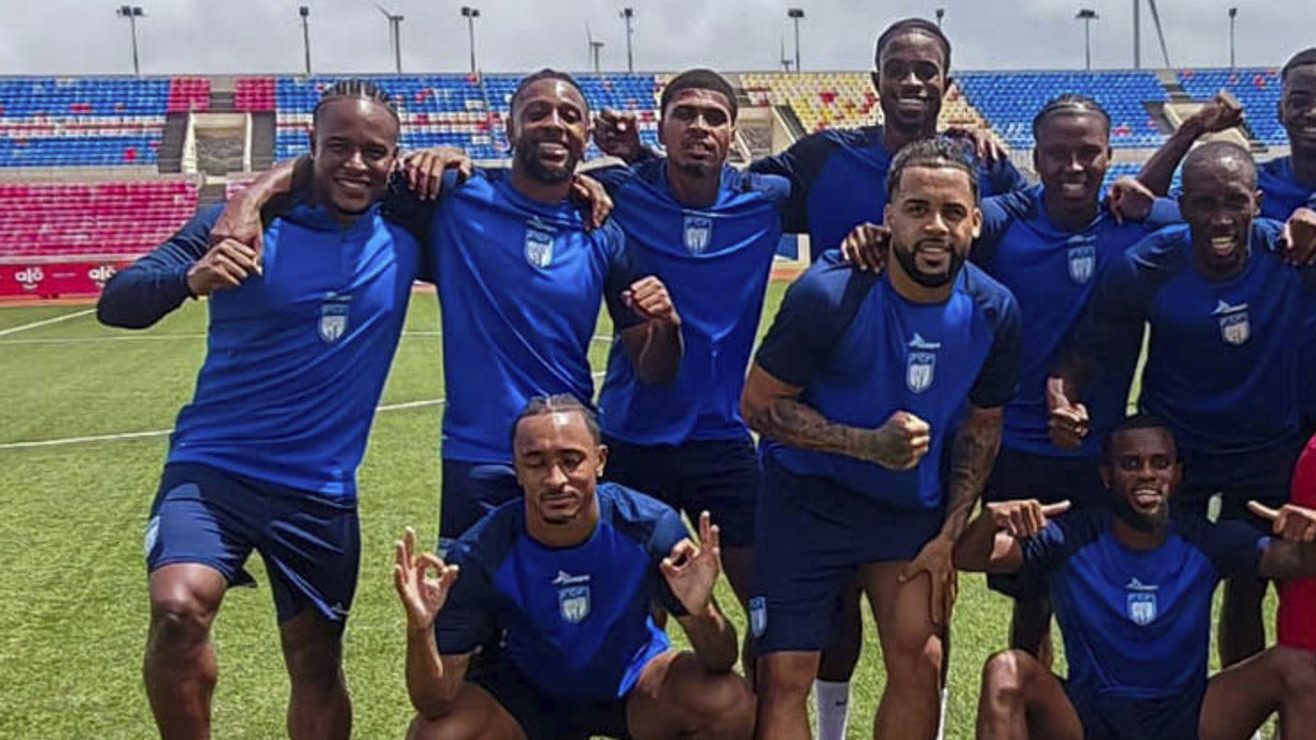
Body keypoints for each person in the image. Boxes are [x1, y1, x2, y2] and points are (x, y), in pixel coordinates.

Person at [217, 69, 683, 553]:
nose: (554, 123)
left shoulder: (602, 231)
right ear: (509, 129)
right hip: (477, 456)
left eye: (569, 116)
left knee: (568, 591)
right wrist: (252, 197)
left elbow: (656, 371)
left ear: (586, 137)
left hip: (566, 455)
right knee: (466, 599)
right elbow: (339, 169)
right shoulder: (453, 197)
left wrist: (668, 326)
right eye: (536, 112)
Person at [97, 81, 418, 740]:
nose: (356, 164)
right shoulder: (237, 229)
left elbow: (513, 196)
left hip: (320, 492)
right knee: (177, 611)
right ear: (311, 147)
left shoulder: (413, 231)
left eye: (374, 151)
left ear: (395, 158)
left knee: (317, 663)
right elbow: (118, 301)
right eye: (339, 147)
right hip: (214, 470)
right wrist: (190, 279)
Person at [741, 138, 1021, 740]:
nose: (935, 226)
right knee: (785, 674)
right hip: (806, 499)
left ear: (976, 221)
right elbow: (758, 405)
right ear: (888, 215)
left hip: (904, 507)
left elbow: (982, 428)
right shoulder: (828, 293)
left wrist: (948, 535)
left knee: (921, 659)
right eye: (918, 209)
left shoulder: (994, 310)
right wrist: (867, 445)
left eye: (952, 212)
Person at [1049, 141, 1316, 670]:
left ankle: (1242, 705)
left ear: (1257, 203)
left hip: (1266, 447)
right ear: (1182, 204)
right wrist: (1061, 399)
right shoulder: (1145, 266)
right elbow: (1084, 355)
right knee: (1170, 580)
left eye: (1234, 202)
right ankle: (1168, 697)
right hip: (1179, 451)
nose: (1221, 218)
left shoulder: (1290, 256)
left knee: (1250, 584)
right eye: (1204, 203)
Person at [581, 68, 790, 671]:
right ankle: (650, 707)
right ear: (662, 125)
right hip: (633, 434)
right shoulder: (618, 192)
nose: (700, 126)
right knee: (635, 610)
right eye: (685, 114)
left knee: (771, 610)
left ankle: (763, 711)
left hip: (722, 438)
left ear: (732, 132)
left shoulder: (764, 200)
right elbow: (536, 179)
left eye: (714, 117)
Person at [393, 394, 755, 740]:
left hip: (633, 687)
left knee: (727, 702)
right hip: (529, 696)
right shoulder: (480, 553)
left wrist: (701, 611)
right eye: (535, 462)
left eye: (571, 460)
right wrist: (420, 629)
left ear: (599, 460)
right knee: (439, 733)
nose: (555, 479)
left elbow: (720, 659)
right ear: (516, 470)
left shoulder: (649, 529)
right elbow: (434, 703)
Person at [955, 415, 1316, 740]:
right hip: (1091, 713)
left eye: (1160, 463)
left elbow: (1299, 563)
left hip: (1186, 714)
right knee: (1005, 670)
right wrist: (989, 521)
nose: (1147, 474)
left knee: (1296, 667)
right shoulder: (1069, 538)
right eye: (1131, 464)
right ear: (1106, 476)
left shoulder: (1205, 539)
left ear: (1176, 475)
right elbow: (968, 557)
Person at [1139, 49, 1316, 439]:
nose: (1312, 112)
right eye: (1299, 101)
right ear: (1280, 112)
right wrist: (1192, 128)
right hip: (1269, 411)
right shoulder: (1246, 189)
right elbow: (1140, 205)